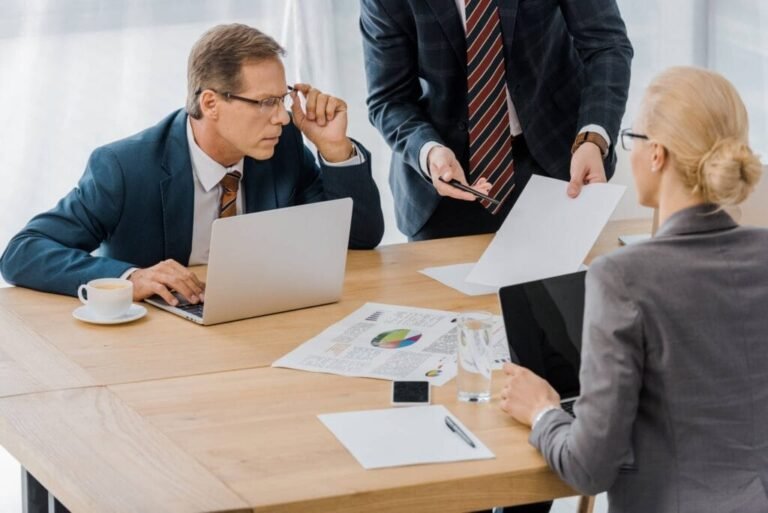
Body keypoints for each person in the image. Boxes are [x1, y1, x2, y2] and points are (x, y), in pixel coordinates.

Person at [499, 66, 768, 512]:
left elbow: (589, 469)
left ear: (657, 154)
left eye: (632, 138)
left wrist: (543, 410)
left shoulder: (622, 278)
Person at [0, 23, 384, 306]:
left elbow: (360, 238)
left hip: (259, 319)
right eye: (265, 102)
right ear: (211, 103)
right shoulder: (124, 167)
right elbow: (23, 252)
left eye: (282, 99)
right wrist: (129, 277)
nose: (282, 118)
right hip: (156, 340)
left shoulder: (282, 149)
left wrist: (335, 150)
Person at [360, 0, 633, 240]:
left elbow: (606, 45)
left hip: (558, 162)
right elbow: (390, 99)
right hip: (447, 184)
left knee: (566, 295)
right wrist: (429, 151)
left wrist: (593, 137)